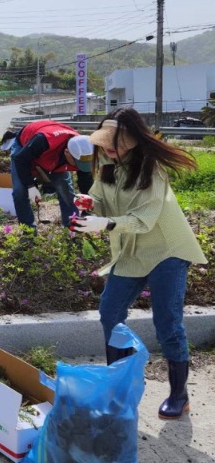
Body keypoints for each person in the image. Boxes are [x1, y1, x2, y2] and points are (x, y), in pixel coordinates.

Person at [71, 107, 207, 420]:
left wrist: (104, 224)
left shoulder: (152, 169)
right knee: (110, 311)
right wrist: (90, 205)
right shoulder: (106, 163)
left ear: (132, 141)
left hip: (166, 251)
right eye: (105, 143)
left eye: (114, 144)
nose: (108, 149)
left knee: (167, 322)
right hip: (131, 250)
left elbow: (143, 220)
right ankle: (121, 383)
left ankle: (179, 394)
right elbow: (101, 198)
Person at [8, 120, 94, 228]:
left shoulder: (83, 150)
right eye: (77, 163)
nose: (78, 167)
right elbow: (20, 160)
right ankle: (28, 231)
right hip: (24, 147)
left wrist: (87, 209)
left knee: (66, 190)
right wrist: (30, 186)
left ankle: (72, 227)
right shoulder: (43, 141)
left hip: (51, 154)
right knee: (19, 191)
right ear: (67, 153)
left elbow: (85, 181)